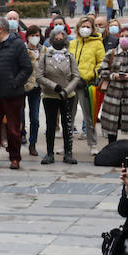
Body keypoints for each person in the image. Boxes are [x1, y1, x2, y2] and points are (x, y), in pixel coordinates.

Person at [0, 18, 33, 170]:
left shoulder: (17, 44)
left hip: (13, 95)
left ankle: (15, 158)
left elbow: (27, 68)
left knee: (13, 129)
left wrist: (15, 83)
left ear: (0, 29)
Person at [36, 25, 80, 165]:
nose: (59, 40)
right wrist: (54, 87)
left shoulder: (70, 56)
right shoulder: (45, 56)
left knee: (67, 125)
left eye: (61, 38)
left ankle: (68, 152)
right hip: (50, 95)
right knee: (50, 125)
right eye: (56, 38)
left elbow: (76, 76)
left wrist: (66, 90)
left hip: (68, 95)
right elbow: (39, 76)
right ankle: (49, 153)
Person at [97, 29, 128, 145]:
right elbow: (101, 71)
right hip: (113, 97)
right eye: (122, 36)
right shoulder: (111, 53)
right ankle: (111, 150)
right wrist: (113, 76)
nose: (124, 38)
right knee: (111, 129)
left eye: (127, 36)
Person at [69, 16, 105, 151]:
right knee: (69, 116)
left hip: (86, 84)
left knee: (89, 116)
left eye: (88, 27)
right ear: (78, 28)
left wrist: (92, 75)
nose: (85, 29)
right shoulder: (73, 43)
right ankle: (68, 144)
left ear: (92, 29)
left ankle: (93, 144)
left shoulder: (97, 44)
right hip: (71, 84)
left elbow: (101, 63)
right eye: (83, 26)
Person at [22, 25, 43, 157]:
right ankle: (21, 135)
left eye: (37, 35)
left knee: (35, 118)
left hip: (37, 88)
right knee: (20, 116)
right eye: (32, 35)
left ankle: (32, 143)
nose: (34, 38)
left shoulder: (44, 50)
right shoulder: (22, 49)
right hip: (23, 87)